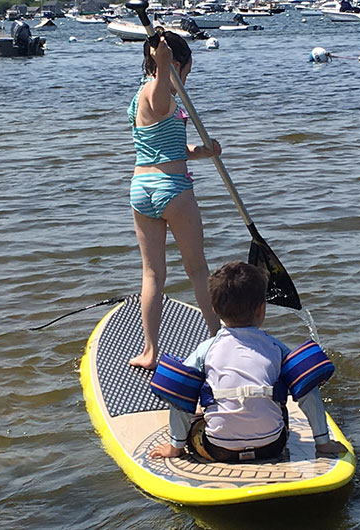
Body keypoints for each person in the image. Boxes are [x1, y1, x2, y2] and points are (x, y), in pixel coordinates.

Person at [149, 262, 348, 461]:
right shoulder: (276, 347)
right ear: (261, 309)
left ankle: (188, 435)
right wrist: (323, 443)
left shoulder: (207, 348)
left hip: (218, 449)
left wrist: (176, 447)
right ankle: (319, 442)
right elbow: (308, 391)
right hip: (271, 446)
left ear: (214, 309)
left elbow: (178, 392)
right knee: (301, 382)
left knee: (185, 389)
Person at [127, 30, 222, 370]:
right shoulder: (159, 92)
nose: (186, 80)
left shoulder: (140, 97)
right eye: (187, 73)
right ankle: (218, 341)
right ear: (176, 66)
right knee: (197, 270)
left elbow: (168, 150)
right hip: (172, 189)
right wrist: (165, 61)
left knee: (153, 275)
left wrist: (204, 152)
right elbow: (163, 78)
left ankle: (150, 351)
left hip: (142, 188)